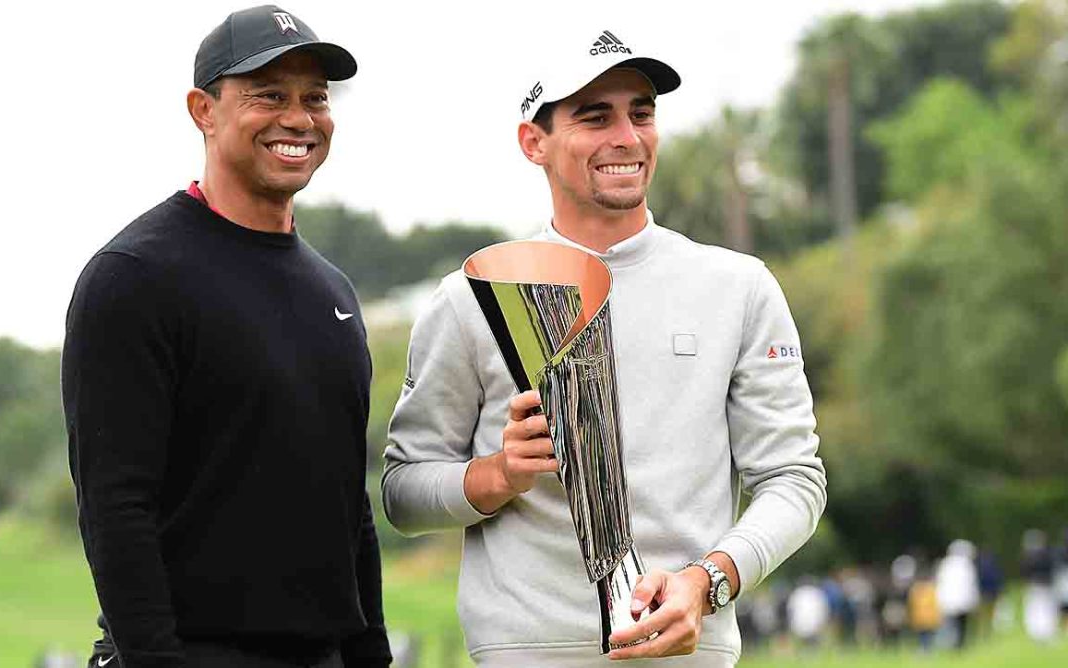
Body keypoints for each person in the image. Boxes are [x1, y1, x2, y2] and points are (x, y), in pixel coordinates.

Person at [381, 26, 826, 667]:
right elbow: (403, 490)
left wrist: (707, 583)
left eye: (641, 113)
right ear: (533, 142)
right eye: (595, 117)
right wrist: (498, 475)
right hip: (523, 655)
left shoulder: (739, 287)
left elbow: (793, 479)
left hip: (688, 654)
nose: (627, 136)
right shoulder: (471, 296)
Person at [61, 6, 390, 667]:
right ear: (203, 110)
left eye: (315, 98)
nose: (299, 118)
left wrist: (371, 657)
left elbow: (343, 506)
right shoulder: (135, 277)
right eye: (269, 95)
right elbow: (115, 509)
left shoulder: (334, 293)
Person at [935, 539, 980, 650]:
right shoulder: (966, 565)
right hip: (962, 602)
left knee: (952, 625)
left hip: (949, 601)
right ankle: (958, 644)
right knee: (961, 625)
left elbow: (940, 583)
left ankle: (954, 644)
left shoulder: (946, 564)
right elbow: (971, 585)